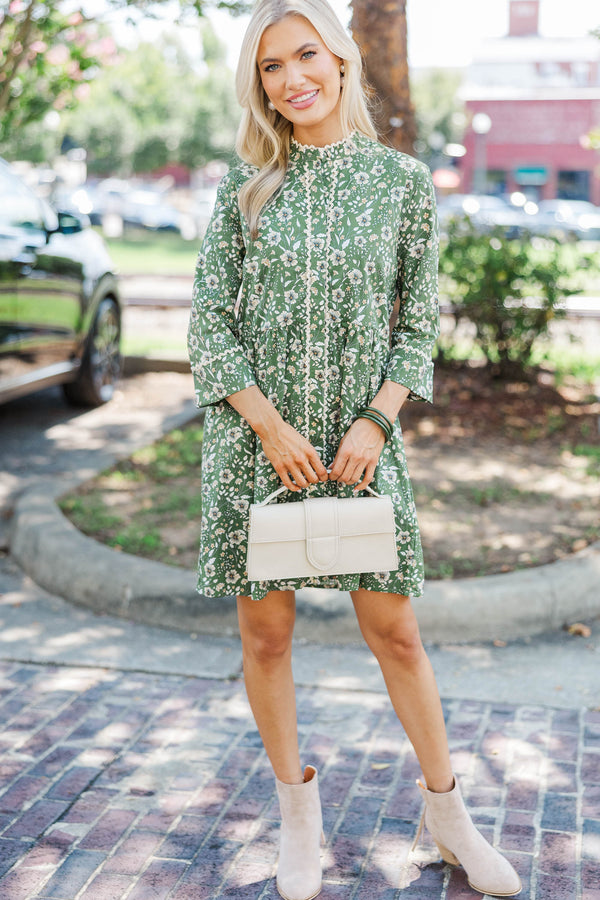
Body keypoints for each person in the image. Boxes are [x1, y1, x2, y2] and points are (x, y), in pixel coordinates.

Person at [187, 1, 522, 898]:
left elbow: (417, 329)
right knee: (267, 634)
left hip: (360, 448)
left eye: (305, 56)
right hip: (257, 441)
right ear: (258, 85)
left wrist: (374, 422)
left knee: (398, 634)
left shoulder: (404, 184)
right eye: (269, 68)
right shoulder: (245, 184)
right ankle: (299, 818)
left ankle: (447, 816)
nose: (291, 78)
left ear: (340, 60)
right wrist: (269, 426)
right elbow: (209, 326)